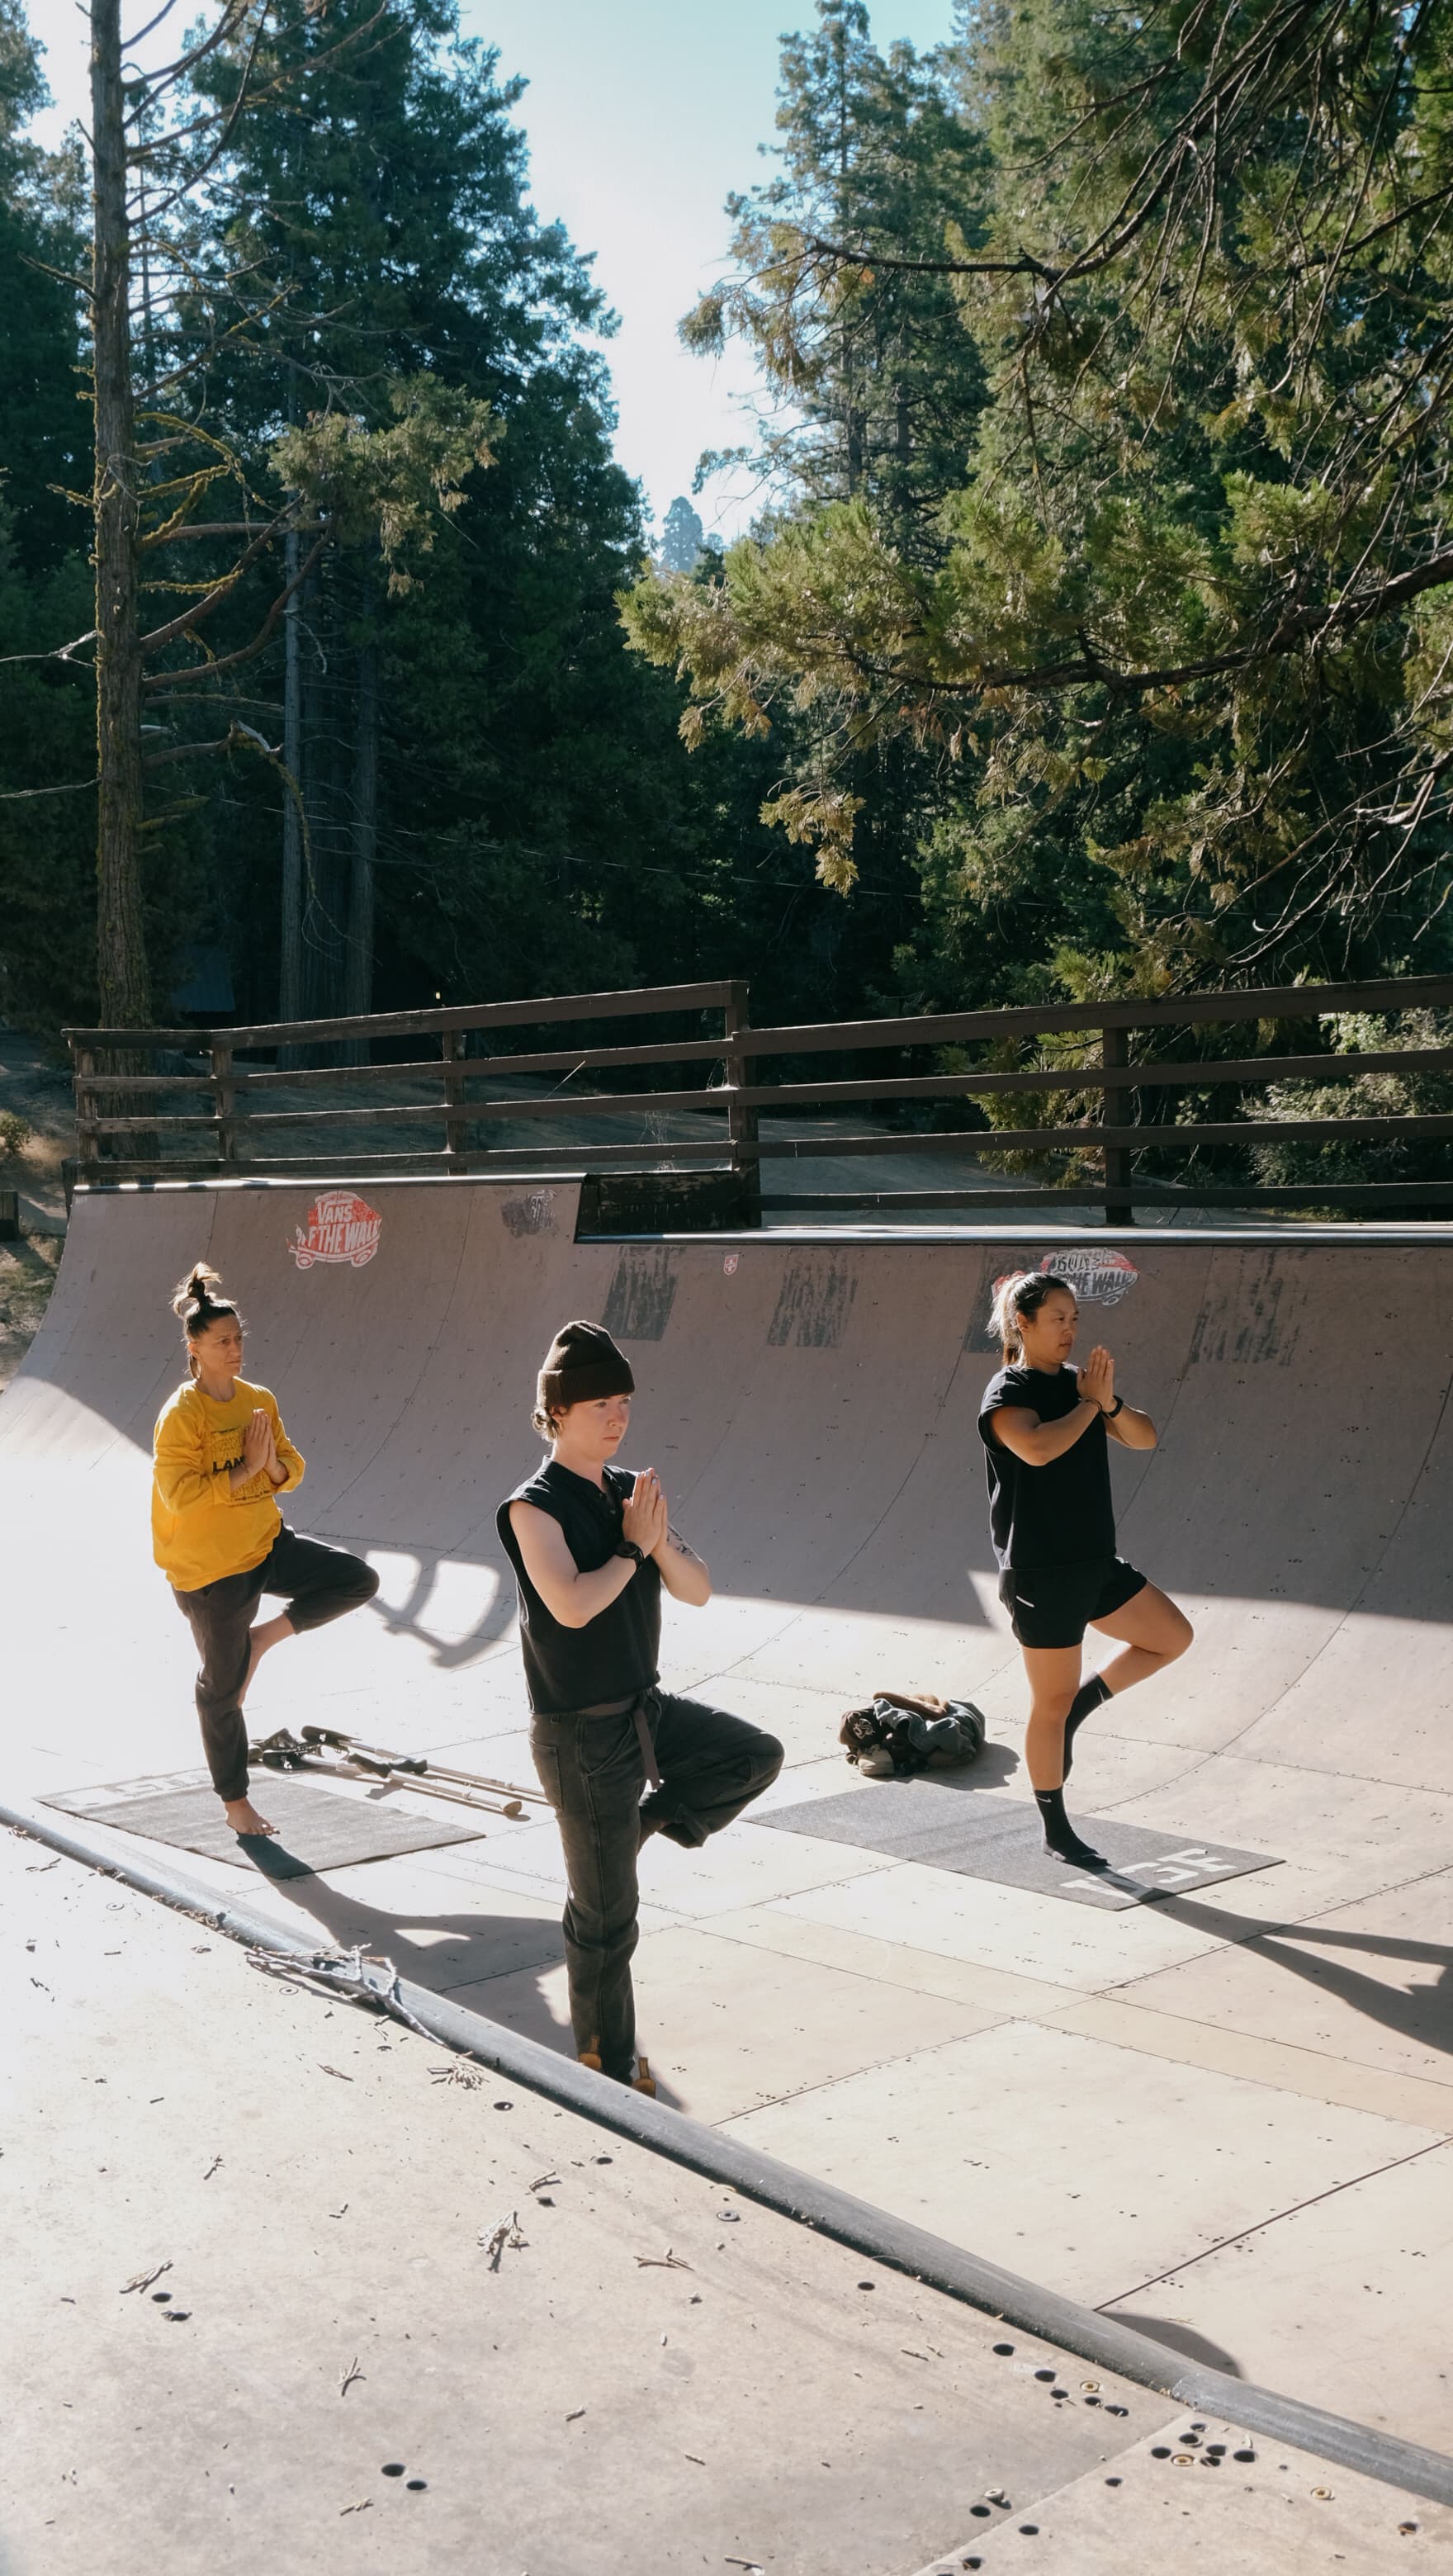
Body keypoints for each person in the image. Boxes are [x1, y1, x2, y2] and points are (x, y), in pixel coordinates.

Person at [499, 1319, 783, 2092]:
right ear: (557, 1412)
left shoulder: (633, 1495)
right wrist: (631, 1548)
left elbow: (698, 1588)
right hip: (577, 1739)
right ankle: (606, 2061)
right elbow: (573, 1606)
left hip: (642, 1715)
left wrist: (653, 1540)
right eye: (600, 1405)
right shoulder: (532, 1507)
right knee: (606, 1920)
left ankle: (646, 1825)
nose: (618, 1417)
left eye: (623, 1401)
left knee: (754, 1755)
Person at [152, 1264, 380, 1838]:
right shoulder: (182, 1415)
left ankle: (265, 1637)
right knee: (221, 1694)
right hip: (210, 1571)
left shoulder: (258, 1400)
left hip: (265, 1544)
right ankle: (236, 1805)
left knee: (356, 1580)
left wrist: (269, 1465)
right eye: (222, 1342)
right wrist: (247, 1469)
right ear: (195, 1348)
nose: (235, 1349)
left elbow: (292, 1467)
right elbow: (177, 1495)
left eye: (238, 1339)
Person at [978, 1269, 1192, 1868]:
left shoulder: (1080, 1385)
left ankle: (1084, 1704)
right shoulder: (1007, 1391)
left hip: (1096, 1562)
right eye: (1058, 1319)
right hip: (1041, 1574)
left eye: (1075, 1319)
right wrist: (1089, 1406)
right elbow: (1039, 1449)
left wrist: (1109, 1403)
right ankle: (1055, 1827)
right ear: (1023, 1323)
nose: (1070, 1329)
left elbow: (1145, 1438)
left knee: (1172, 1637)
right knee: (1047, 1703)